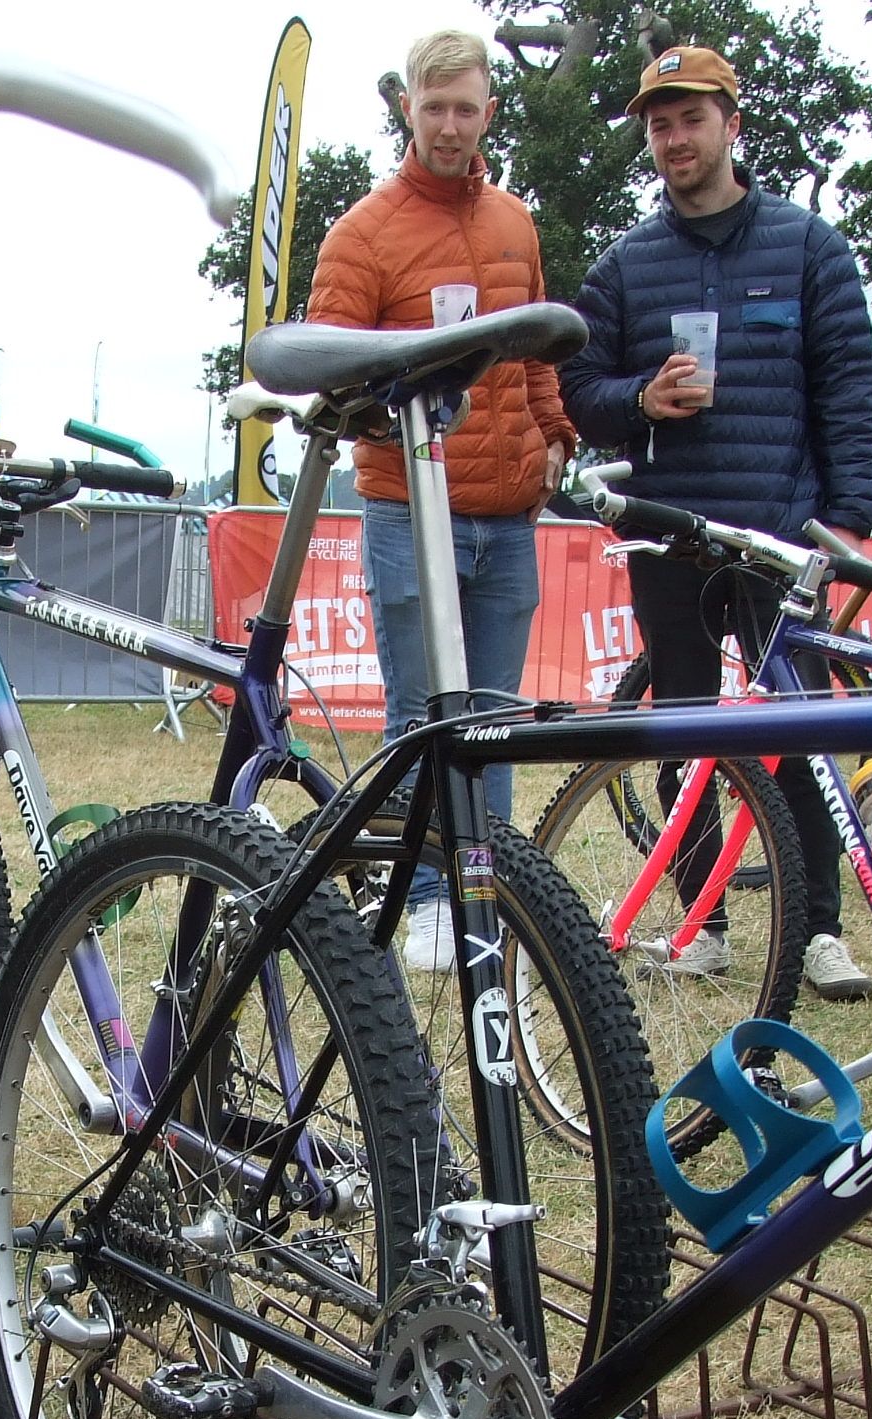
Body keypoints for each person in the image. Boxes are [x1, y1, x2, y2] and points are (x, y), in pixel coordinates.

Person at [560, 46, 872, 1001]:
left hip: (782, 540)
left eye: (689, 118)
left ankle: (818, 930)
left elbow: (849, 390)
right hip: (669, 536)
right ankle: (702, 924)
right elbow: (578, 391)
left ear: (732, 124)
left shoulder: (809, 246)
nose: (672, 137)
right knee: (686, 739)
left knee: (805, 736)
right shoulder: (625, 265)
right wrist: (641, 401)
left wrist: (849, 521)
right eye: (658, 124)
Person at [307, 27, 578, 973]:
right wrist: (393, 424)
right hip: (406, 511)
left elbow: (535, 353)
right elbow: (330, 377)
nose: (452, 126)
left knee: (492, 723)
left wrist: (554, 434)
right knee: (421, 716)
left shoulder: (514, 223)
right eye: (436, 108)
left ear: (487, 110)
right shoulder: (365, 233)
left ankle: (482, 892)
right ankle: (419, 896)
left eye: (468, 108)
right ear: (409, 111)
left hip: (508, 517)